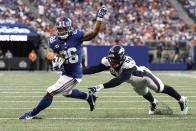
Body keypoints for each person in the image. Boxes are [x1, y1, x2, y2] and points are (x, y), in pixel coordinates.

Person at [19, 6, 107, 119]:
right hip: (65, 73)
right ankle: (89, 98)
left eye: (64, 29)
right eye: (59, 29)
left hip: (74, 75)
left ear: (69, 28)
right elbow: (53, 53)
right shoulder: (54, 41)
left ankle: (31, 114)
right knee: (67, 93)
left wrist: (99, 18)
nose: (61, 31)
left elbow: (94, 33)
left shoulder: (77, 36)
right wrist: (56, 59)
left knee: (50, 92)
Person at [84, 45, 188, 115]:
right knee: (143, 92)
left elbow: (120, 80)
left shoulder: (128, 63)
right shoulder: (107, 61)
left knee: (160, 88)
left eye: (115, 60)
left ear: (122, 58)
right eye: (111, 59)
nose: (113, 62)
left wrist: (100, 86)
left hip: (144, 76)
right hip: (133, 81)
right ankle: (154, 103)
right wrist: (80, 72)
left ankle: (182, 99)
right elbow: (95, 68)